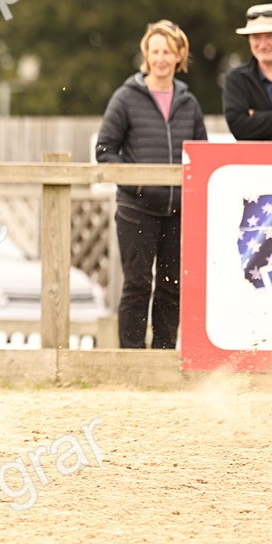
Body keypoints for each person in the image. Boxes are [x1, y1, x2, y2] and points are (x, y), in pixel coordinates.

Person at [96, 20, 207, 350]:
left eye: (167, 52)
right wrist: (138, 184)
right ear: (146, 54)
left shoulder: (189, 103)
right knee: (138, 283)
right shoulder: (126, 97)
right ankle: (131, 358)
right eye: (155, 51)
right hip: (136, 209)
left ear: (179, 56)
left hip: (178, 212)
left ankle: (163, 355)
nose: (160, 58)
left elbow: (200, 154)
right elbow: (105, 150)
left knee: (171, 286)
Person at [223, 3, 272, 141]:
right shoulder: (236, 79)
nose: (263, 44)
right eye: (256, 37)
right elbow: (239, 129)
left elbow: (247, 129)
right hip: (253, 162)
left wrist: (258, 119)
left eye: (270, 36)